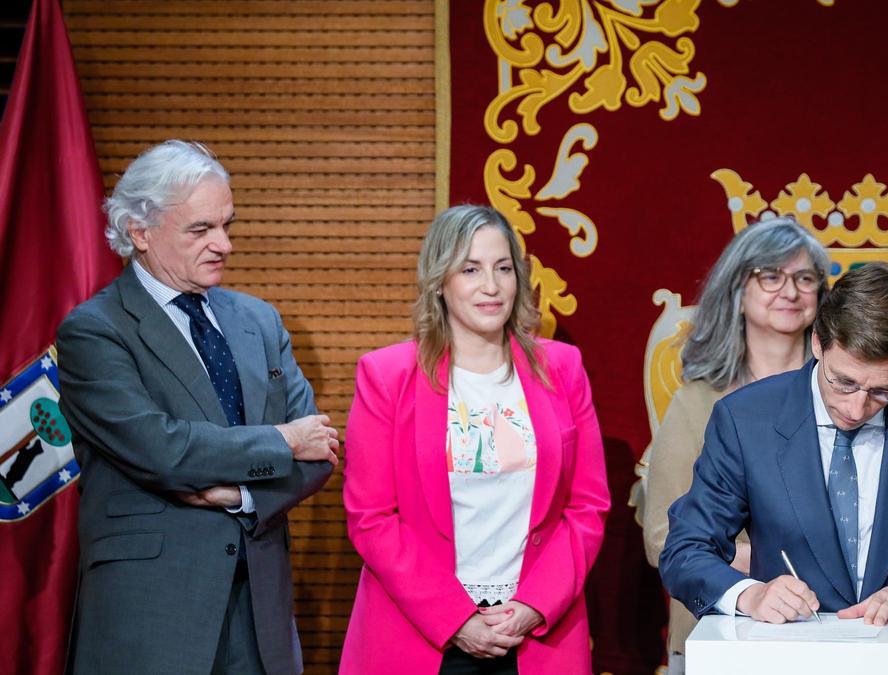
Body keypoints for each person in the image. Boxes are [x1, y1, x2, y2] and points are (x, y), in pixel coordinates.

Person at [57, 140, 339, 674]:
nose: (224, 244)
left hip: (260, 615)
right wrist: (281, 440)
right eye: (201, 229)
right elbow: (159, 447)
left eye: (226, 225)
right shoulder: (95, 331)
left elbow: (319, 450)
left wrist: (244, 496)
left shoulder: (260, 321)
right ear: (140, 232)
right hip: (151, 617)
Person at [659, 263, 888, 675]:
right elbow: (686, 550)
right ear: (819, 343)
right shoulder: (745, 419)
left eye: (883, 392)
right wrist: (749, 596)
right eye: (843, 382)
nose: (856, 408)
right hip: (782, 664)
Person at [340, 204, 610, 674]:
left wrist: (533, 605)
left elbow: (587, 507)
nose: (491, 286)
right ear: (439, 282)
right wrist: (455, 617)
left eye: (503, 268)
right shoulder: (386, 375)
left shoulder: (563, 369)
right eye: (470, 269)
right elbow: (371, 518)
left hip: (536, 635)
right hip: (420, 635)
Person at [641, 217, 829, 673]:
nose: (790, 291)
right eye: (771, 276)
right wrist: (783, 565)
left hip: (830, 626)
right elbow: (663, 539)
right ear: (737, 290)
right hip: (720, 633)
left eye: (805, 278)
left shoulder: (843, 395)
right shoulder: (696, 402)